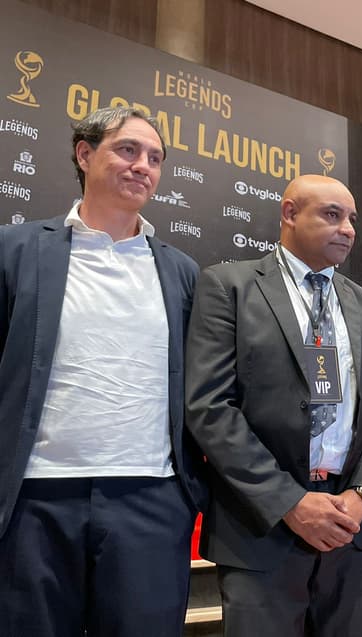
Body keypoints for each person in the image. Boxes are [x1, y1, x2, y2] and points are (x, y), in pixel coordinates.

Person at [0, 106, 205, 637]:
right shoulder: (15, 250)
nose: (143, 166)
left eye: (155, 159)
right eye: (128, 150)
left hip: (152, 498)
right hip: (34, 498)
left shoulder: (181, 270)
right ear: (85, 154)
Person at [185, 174, 362, 637]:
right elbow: (210, 406)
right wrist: (290, 503)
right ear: (288, 214)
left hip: (351, 525)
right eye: (331, 214)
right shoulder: (229, 286)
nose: (348, 229)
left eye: (352, 219)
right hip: (262, 527)